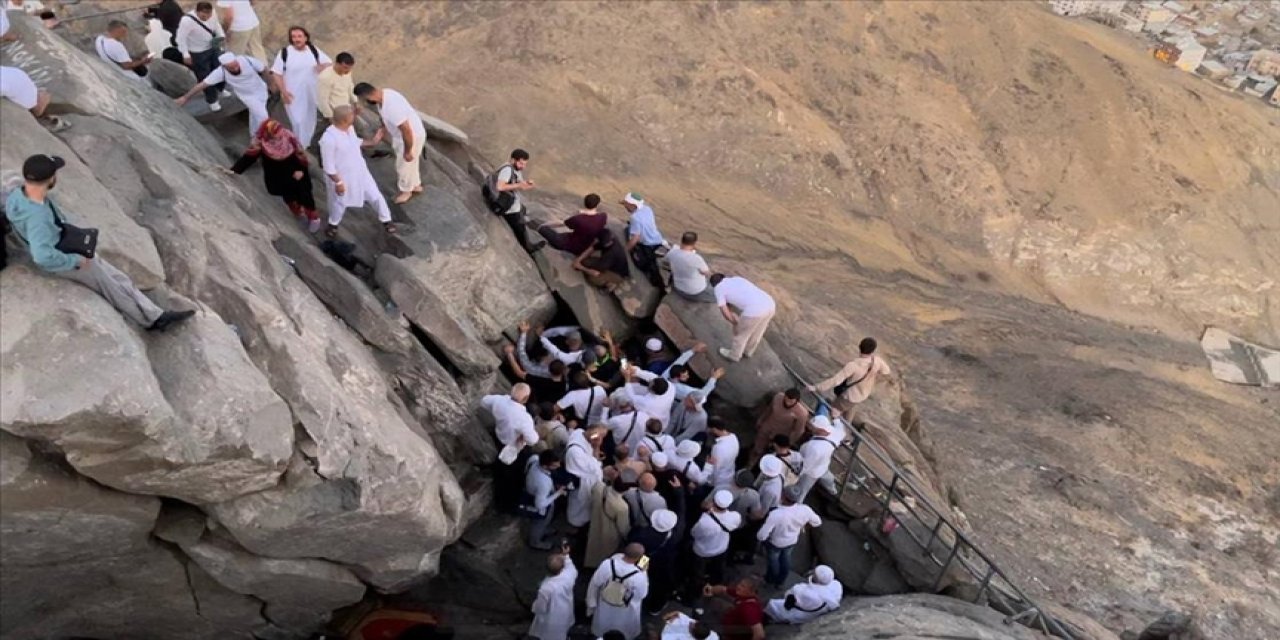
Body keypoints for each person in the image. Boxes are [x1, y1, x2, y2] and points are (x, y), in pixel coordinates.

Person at [5, 154, 195, 331]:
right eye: (55, 173)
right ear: (50, 179)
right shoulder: (38, 217)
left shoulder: (18, 194)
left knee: (117, 277)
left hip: (65, 243)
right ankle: (152, 321)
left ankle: (154, 312)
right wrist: (75, 261)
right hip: (63, 258)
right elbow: (42, 256)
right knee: (110, 286)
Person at [230, 119, 320, 232]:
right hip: (277, 174)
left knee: (304, 194)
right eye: (276, 135)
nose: (279, 136)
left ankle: (313, 217)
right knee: (287, 193)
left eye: (280, 133)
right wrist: (234, 171)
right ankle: (297, 209)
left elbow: (300, 154)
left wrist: (301, 169)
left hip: (296, 171)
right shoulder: (261, 143)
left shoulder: (289, 137)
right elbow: (249, 158)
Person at [318, 105, 396, 235]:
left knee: (375, 196)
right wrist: (338, 182)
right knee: (339, 202)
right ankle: (333, 224)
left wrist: (372, 142)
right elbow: (328, 165)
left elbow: (355, 142)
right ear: (344, 119)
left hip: (360, 172)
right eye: (352, 115)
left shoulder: (350, 129)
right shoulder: (328, 139)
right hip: (342, 177)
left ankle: (386, 220)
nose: (354, 116)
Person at [354, 82, 425, 204]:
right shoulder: (386, 94)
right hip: (408, 134)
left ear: (368, 97)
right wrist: (384, 126)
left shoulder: (392, 108)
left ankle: (406, 191)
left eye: (363, 100)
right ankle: (415, 184)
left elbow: (406, 130)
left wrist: (407, 150)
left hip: (410, 136)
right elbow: (386, 118)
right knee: (411, 162)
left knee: (403, 164)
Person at [175, 52, 269, 136]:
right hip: (248, 97)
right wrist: (185, 98)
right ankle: (271, 137)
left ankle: (254, 135)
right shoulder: (220, 72)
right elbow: (203, 85)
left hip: (261, 90)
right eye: (231, 67)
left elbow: (264, 69)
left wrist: (272, 84)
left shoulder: (246, 60)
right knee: (263, 116)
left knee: (255, 114)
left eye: (236, 65)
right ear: (224, 67)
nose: (236, 68)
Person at [480, 383, 539, 511]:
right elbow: (533, 439)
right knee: (513, 477)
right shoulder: (524, 418)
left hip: (500, 440)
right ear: (525, 399)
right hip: (515, 447)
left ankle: (500, 500)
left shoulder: (499, 400)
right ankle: (509, 504)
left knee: (501, 474)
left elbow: (483, 401)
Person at [271, 26, 331, 147]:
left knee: (310, 119)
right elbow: (277, 73)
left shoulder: (313, 50)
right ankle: (298, 145)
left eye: (299, 36)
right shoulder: (285, 53)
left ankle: (304, 144)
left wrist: (322, 67)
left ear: (305, 37)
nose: (296, 39)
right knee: (297, 121)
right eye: (293, 37)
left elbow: (329, 63)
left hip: (311, 92)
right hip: (293, 93)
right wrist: (284, 92)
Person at [807, 337, 893, 419]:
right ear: (873, 350)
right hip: (861, 396)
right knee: (847, 419)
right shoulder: (877, 361)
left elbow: (836, 381)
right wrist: (875, 377)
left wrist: (816, 387)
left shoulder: (853, 365)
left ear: (860, 347)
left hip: (848, 397)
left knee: (829, 414)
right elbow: (886, 372)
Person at [757, 485, 821, 589]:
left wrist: (761, 539)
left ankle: (770, 579)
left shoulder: (776, 514)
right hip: (792, 540)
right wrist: (803, 524)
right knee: (786, 559)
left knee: (773, 562)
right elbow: (817, 522)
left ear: (783, 496)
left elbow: (761, 535)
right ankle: (781, 581)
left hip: (775, 543)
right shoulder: (805, 509)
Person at [685, 489, 742, 605]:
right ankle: (716, 586)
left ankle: (694, 596)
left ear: (713, 501)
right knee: (718, 569)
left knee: (697, 574)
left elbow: (694, 533)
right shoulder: (735, 516)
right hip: (722, 548)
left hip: (703, 551)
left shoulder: (704, 521)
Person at [626, 505, 684, 615]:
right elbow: (682, 514)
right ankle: (655, 607)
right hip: (665, 562)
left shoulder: (642, 533)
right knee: (660, 583)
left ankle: (637, 595)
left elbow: (631, 541)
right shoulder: (676, 534)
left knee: (640, 575)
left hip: (645, 559)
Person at [587, 543, 649, 640]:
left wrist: (591, 603)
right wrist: (644, 572)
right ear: (639, 558)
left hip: (605, 605)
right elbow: (642, 594)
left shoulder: (607, 564)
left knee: (603, 625)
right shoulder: (639, 575)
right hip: (625, 610)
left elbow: (595, 582)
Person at [710, 274, 776, 363]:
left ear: (713, 285)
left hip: (754, 310)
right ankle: (748, 351)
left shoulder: (718, 288)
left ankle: (734, 355)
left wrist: (735, 322)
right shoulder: (737, 279)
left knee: (741, 335)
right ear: (724, 277)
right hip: (770, 304)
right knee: (758, 332)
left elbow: (724, 311)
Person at [175, 2, 227, 111]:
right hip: (198, 52)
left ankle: (220, 88)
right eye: (204, 16)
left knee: (219, 69)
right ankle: (212, 100)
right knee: (205, 76)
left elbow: (216, 24)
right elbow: (181, 38)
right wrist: (185, 54)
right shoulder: (187, 21)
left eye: (209, 15)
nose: (207, 18)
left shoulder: (213, 14)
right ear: (197, 12)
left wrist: (221, 36)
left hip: (213, 47)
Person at [490, 148, 541, 251]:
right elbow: (500, 187)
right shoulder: (507, 170)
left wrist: (525, 184)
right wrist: (519, 185)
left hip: (512, 201)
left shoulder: (515, 169)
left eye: (525, 164)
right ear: (513, 160)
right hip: (508, 206)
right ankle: (528, 247)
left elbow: (518, 184)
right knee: (520, 228)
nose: (523, 167)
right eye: (521, 163)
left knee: (523, 210)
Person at [529, 543, 577, 640]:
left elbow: (541, 607)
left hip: (551, 619)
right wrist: (566, 555)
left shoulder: (546, 588)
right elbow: (570, 566)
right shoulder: (569, 576)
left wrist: (534, 607)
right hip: (565, 612)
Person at [763, 565, 841, 625]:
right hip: (820, 611)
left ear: (815, 578)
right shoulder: (837, 585)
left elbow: (788, 596)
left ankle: (769, 618)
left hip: (803, 613)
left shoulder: (802, 590)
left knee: (772, 604)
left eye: (814, 572)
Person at [585, 468, 632, 569]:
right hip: (609, 530)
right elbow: (623, 527)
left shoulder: (599, 487)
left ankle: (589, 563)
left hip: (595, 520)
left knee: (593, 543)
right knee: (605, 550)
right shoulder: (622, 506)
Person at [793, 415, 844, 502]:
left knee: (801, 491)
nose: (811, 428)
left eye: (813, 427)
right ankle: (833, 492)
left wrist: (795, 474)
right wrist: (836, 419)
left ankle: (795, 504)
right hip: (824, 465)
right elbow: (841, 429)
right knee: (829, 479)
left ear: (821, 429)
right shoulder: (834, 433)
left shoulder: (813, 447)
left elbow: (806, 466)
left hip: (811, 473)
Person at [750, 389, 809, 465]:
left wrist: (788, 443)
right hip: (767, 427)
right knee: (757, 449)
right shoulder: (778, 397)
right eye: (786, 399)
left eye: (791, 401)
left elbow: (798, 430)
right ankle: (750, 465)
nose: (787, 403)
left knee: (773, 455)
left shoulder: (802, 413)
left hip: (781, 436)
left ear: (796, 401)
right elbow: (769, 409)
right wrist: (761, 420)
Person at [564, 425, 605, 533]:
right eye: (599, 437)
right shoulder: (576, 452)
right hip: (581, 482)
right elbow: (594, 468)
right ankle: (574, 523)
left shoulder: (579, 431)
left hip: (585, 480)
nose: (601, 440)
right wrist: (596, 447)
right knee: (578, 505)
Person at [0, 66, 67, 131]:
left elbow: (4, 89)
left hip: (27, 98)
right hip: (22, 80)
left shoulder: (29, 102)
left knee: (35, 111)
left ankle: (46, 118)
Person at [620, 192, 666, 287]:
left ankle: (656, 283)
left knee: (643, 264)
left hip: (647, 245)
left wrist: (624, 251)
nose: (625, 207)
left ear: (633, 205)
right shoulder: (647, 209)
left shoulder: (634, 217)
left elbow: (635, 239)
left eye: (626, 204)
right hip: (657, 238)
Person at [539, 193, 607, 255]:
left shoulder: (579, 218)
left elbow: (562, 223)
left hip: (571, 245)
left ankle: (540, 227)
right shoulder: (603, 217)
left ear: (584, 203)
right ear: (597, 205)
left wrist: (545, 224)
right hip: (587, 246)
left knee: (543, 229)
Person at [524, 450, 567, 550]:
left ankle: (544, 530)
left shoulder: (534, 459)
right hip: (539, 500)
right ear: (545, 466)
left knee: (544, 522)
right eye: (554, 465)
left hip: (533, 489)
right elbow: (539, 504)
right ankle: (535, 541)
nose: (558, 466)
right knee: (540, 522)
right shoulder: (543, 482)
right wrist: (558, 493)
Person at [621, 365, 677, 431]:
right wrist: (636, 371)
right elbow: (652, 376)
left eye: (650, 384)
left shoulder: (647, 403)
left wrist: (627, 380)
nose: (649, 382)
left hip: (653, 425)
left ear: (653, 391)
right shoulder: (671, 387)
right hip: (663, 416)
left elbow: (631, 397)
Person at [667, 231, 715, 302]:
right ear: (694, 243)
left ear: (682, 240)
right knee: (720, 294)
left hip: (678, 287)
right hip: (694, 292)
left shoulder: (671, 252)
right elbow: (707, 273)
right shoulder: (696, 258)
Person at [316, 51, 357, 129]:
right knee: (321, 135)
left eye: (349, 68)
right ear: (337, 63)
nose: (347, 70)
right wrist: (331, 118)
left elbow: (350, 87)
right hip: (331, 113)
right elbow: (322, 100)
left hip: (345, 111)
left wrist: (355, 102)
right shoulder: (325, 77)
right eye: (345, 67)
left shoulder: (347, 72)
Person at [705, 418, 740, 488]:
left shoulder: (718, 448)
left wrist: (709, 482)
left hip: (718, 481)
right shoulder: (734, 437)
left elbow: (716, 469)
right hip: (730, 475)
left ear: (714, 429)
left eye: (709, 429)